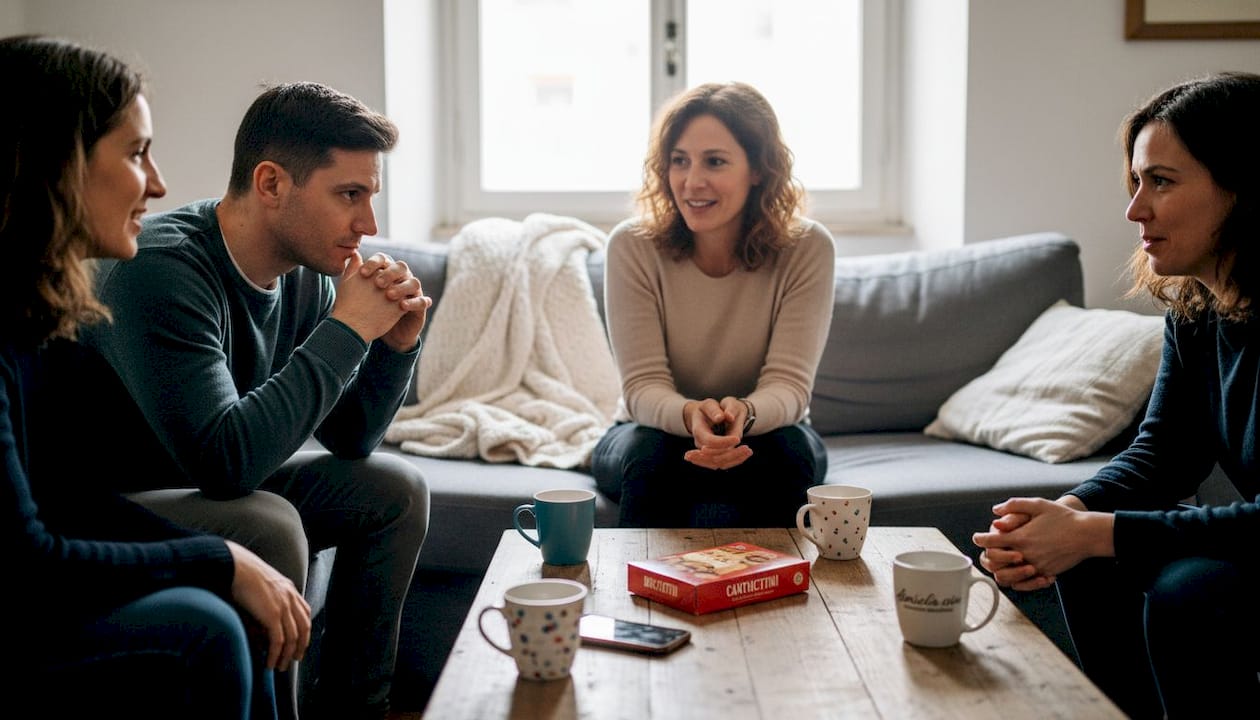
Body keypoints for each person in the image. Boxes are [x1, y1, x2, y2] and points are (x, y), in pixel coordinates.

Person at [82, 81, 432, 719]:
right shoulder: (162, 269)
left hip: (201, 491)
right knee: (266, 522)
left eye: (370, 196)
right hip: (114, 508)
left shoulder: (303, 275)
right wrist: (349, 328)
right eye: (349, 195)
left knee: (394, 488)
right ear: (271, 184)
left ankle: (357, 710)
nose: (369, 225)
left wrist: (394, 348)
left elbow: (351, 439)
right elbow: (225, 463)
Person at [1, 34, 311, 719]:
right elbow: (28, 560)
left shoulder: (38, 316)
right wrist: (220, 562)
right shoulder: (156, 274)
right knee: (206, 626)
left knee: (231, 602)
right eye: (137, 153)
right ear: (58, 162)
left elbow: (73, 499)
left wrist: (224, 557)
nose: (161, 183)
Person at [972, 71, 1260, 719]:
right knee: (1086, 555)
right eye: (1136, 183)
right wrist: (1061, 516)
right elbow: (1162, 456)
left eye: (1161, 181)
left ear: (1242, 187)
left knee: (1190, 590)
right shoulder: (1198, 308)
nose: (1134, 211)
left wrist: (1093, 531)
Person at [591, 81, 834, 528]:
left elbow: (790, 387)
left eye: (715, 162)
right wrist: (690, 417)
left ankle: (778, 595)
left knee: (788, 453)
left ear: (759, 169)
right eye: (679, 161)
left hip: (764, 431)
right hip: (652, 433)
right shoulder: (631, 246)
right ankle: (640, 597)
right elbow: (643, 387)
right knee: (652, 454)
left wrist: (744, 414)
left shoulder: (808, 248)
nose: (692, 181)